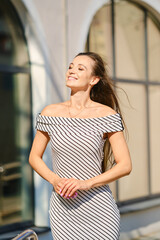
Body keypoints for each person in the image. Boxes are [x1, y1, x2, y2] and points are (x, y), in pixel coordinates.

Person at [29, 52, 132, 240]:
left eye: (80, 68)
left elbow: (125, 165)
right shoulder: (50, 113)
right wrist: (55, 180)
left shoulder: (106, 115)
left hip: (99, 209)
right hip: (63, 210)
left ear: (94, 79)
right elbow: (34, 157)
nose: (71, 71)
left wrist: (85, 183)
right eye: (70, 66)